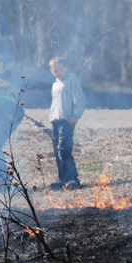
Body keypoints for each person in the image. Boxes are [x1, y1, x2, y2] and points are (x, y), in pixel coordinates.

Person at [48, 56, 85, 190]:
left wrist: (75, 116)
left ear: (66, 68)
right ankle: (62, 178)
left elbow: (79, 99)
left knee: (64, 149)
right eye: (55, 70)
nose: (58, 72)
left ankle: (72, 178)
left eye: (61, 69)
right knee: (57, 150)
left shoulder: (72, 80)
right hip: (56, 120)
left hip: (67, 120)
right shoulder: (55, 84)